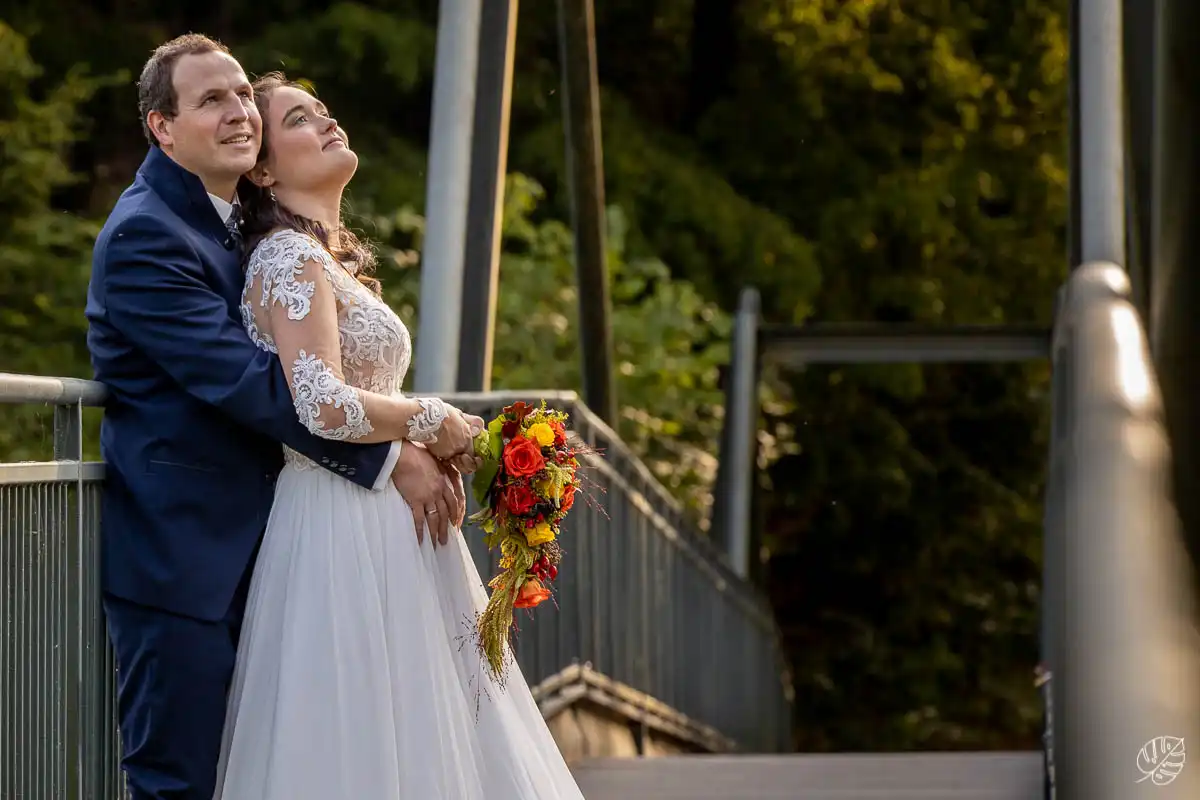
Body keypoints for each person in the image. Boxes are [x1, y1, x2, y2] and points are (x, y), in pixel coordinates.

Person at [85, 35, 477, 799]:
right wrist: (401, 443)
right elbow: (251, 384)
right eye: (211, 100)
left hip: (278, 548)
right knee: (182, 783)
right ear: (162, 127)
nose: (238, 112)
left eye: (240, 94)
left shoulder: (242, 226)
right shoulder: (145, 236)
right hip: (187, 563)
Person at [210, 72, 586, 799]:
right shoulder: (287, 257)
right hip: (336, 525)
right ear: (263, 166)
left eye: (324, 109)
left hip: (387, 520)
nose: (327, 121)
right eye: (298, 119)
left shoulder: (323, 258)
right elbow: (318, 401)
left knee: (426, 729)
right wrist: (432, 420)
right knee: (360, 730)